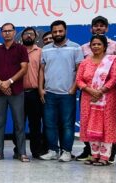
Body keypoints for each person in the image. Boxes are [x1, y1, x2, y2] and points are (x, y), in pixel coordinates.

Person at [77, 15, 116, 162]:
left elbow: (114, 78)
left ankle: (106, 156)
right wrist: (91, 91)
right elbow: (79, 79)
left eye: (99, 44)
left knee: (106, 125)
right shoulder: (84, 61)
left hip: (108, 98)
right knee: (90, 125)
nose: (96, 46)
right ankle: (94, 155)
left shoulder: (112, 59)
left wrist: (100, 91)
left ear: (105, 46)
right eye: (93, 45)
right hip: (88, 97)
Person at [38, 20, 84, 162]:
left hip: (67, 94)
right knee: (49, 124)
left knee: (67, 125)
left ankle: (67, 151)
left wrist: (73, 88)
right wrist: (40, 88)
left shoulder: (75, 48)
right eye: (55, 31)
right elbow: (41, 70)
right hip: (49, 93)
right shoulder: (45, 49)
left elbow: (79, 70)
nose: (57, 34)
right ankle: (53, 150)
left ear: (65, 31)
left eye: (60, 31)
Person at [0, 23, 29, 162]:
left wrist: (9, 82)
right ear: (1, 33)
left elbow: (24, 69)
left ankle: (22, 153)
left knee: (19, 123)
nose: (7, 33)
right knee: (0, 123)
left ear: (14, 32)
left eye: (9, 31)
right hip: (0, 93)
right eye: (4, 31)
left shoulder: (21, 49)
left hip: (16, 92)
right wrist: (1, 83)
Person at [20, 27, 48, 159]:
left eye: (31, 34)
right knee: (18, 124)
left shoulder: (41, 52)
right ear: (22, 37)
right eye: (26, 34)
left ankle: (36, 151)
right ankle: (18, 150)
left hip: (35, 93)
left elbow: (45, 71)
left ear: (36, 36)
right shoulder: (17, 51)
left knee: (35, 124)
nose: (28, 36)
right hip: (19, 93)